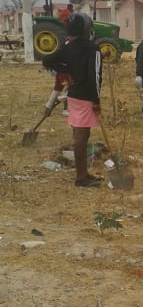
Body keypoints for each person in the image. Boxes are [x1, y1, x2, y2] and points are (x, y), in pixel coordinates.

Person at [43, 13, 103, 187]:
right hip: (86, 97)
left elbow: (48, 60)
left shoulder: (69, 46)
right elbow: (96, 76)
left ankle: (83, 174)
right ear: (86, 29)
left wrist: (67, 71)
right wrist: (97, 101)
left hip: (74, 95)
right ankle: (81, 178)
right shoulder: (93, 49)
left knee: (82, 135)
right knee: (81, 137)